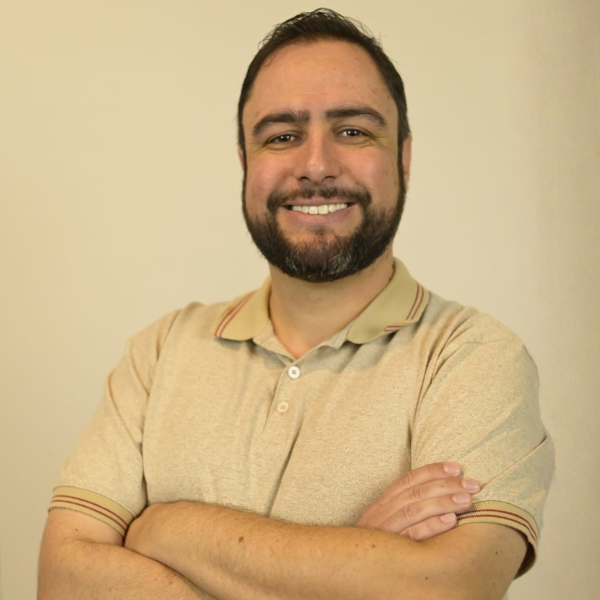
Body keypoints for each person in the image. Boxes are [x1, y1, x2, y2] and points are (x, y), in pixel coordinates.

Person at [38, 8, 554, 600]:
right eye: (282, 136)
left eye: (353, 131)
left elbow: (445, 587)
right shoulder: (159, 353)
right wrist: (354, 566)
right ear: (245, 162)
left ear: (403, 158)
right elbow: (63, 579)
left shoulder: (473, 359)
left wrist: (166, 528)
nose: (316, 167)